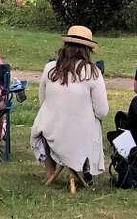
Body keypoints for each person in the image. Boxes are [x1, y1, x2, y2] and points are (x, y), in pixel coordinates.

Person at [30, 25, 108, 194]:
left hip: (50, 133)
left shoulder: (50, 68)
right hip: (79, 136)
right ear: (88, 50)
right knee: (92, 121)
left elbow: (43, 102)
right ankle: (83, 168)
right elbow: (102, 111)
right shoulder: (93, 72)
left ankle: (51, 170)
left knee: (48, 119)